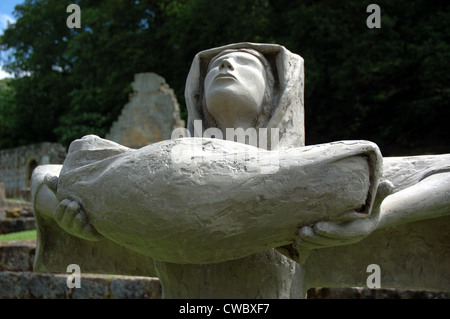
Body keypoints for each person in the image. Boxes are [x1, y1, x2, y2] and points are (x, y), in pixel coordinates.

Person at [31, 43, 448, 266]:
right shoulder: (149, 166)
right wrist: (71, 217)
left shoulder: (316, 171)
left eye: (244, 63)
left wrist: (381, 217)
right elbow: (45, 178)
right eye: (214, 66)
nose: (225, 66)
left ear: (277, 93)